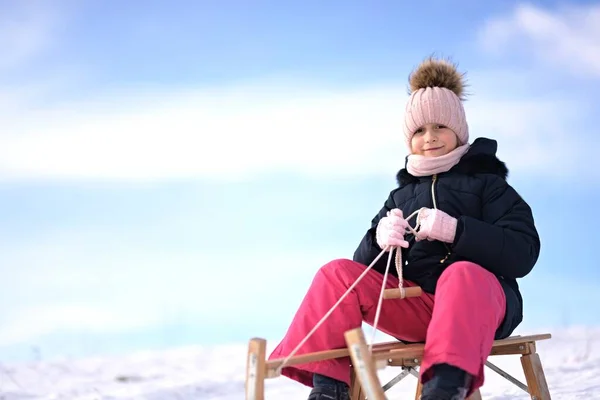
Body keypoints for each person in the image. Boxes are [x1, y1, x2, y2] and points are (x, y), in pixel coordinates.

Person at [268, 56, 540, 400]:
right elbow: (364, 270)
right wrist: (379, 240)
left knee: (460, 274)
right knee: (335, 274)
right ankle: (328, 389)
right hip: (420, 309)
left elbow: (523, 254)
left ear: (458, 130)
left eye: (440, 126)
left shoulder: (489, 186)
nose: (430, 138)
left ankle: (444, 389)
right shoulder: (401, 195)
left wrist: (456, 231)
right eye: (418, 130)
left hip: (482, 306)